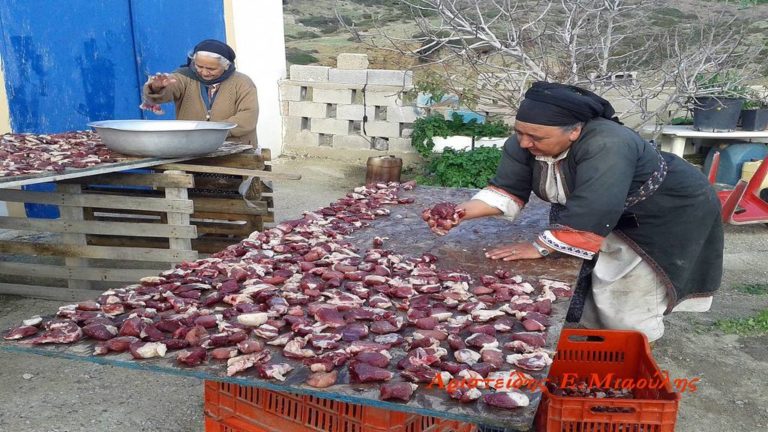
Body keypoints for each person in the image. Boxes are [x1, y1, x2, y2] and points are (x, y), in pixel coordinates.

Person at [437, 81, 723, 343]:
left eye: (535, 137)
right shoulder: (526, 143)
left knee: (631, 297)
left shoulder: (608, 143)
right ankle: (602, 341)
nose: (525, 143)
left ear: (574, 130)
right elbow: (506, 189)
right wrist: (459, 212)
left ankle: (631, 352)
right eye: (519, 132)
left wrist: (540, 246)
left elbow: (596, 206)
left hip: (666, 212)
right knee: (599, 282)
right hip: (605, 213)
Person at [142, 39, 258, 147]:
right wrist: (157, 88)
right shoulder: (184, 77)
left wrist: (213, 131)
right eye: (199, 66)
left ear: (226, 66)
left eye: (211, 69)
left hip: (236, 148)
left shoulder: (242, 83)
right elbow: (170, 89)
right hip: (191, 148)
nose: (204, 72)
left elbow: (248, 116)